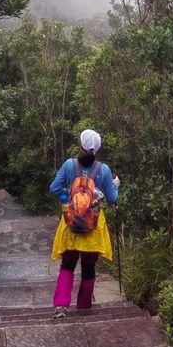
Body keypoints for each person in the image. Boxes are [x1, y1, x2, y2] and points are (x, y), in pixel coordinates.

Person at [49, 128, 120, 318]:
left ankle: (61, 306)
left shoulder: (69, 165)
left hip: (71, 223)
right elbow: (112, 199)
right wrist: (115, 186)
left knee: (67, 264)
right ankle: (84, 308)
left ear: (80, 146)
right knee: (88, 268)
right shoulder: (104, 170)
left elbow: (54, 188)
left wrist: (68, 198)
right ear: (97, 149)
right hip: (93, 226)